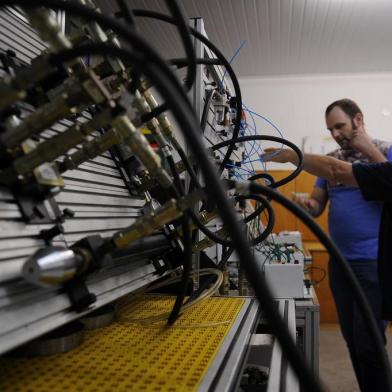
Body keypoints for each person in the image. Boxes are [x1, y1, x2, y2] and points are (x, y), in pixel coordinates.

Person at [264, 98, 392, 392]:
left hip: (372, 265)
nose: (335, 134)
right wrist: (298, 200)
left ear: (358, 120)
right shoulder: (330, 160)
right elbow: (316, 207)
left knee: (369, 344)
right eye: (330, 129)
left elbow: (390, 181)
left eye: (340, 126)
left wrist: (367, 149)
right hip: (340, 263)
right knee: (352, 342)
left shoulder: (385, 151)